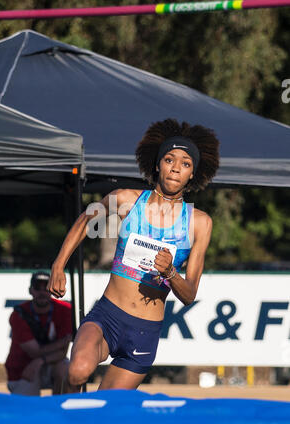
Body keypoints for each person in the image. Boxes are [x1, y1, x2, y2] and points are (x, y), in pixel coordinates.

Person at [48, 118, 220, 393]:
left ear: (192, 174)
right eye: (169, 159)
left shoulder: (199, 223)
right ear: (157, 164)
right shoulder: (126, 200)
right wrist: (58, 266)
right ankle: (62, 418)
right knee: (77, 372)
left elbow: (188, 295)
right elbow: (84, 221)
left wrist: (170, 273)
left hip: (144, 332)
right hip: (107, 316)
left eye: (185, 163)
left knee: (106, 414)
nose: (176, 167)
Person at [5, 271, 72, 395]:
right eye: (37, 288)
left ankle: (58, 408)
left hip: (48, 363)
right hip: (22, 368)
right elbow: (34, 351)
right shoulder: (19, 314)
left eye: (46, 288)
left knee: (66, 369)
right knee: (27, 411)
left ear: (51, 290)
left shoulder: (65, 310)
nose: (42, 292)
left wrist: (40, 360)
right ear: (30, 290)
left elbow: (63, 353)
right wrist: (62, 342)